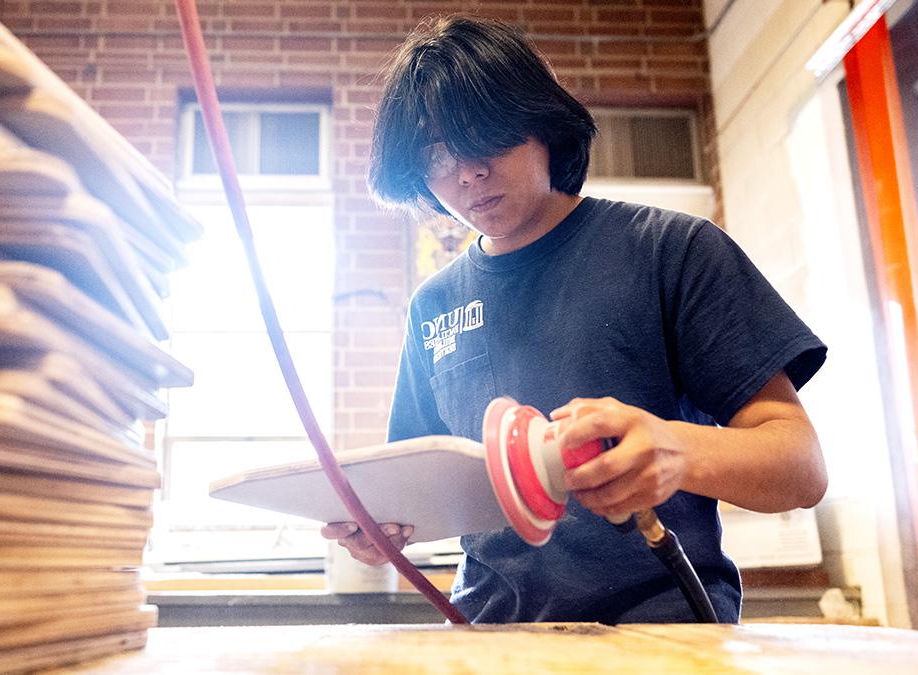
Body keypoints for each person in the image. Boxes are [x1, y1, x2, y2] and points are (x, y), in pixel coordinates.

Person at [321, 15, 828, 624]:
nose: (466, 172)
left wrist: (679, 451)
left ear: (540, 123)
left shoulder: (671, 251)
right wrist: (378, 531)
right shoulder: (434, 306)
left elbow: (801, 468)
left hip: (664, 640)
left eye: (483, 135)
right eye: (435, 153)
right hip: (489, 642)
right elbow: (417, 496)